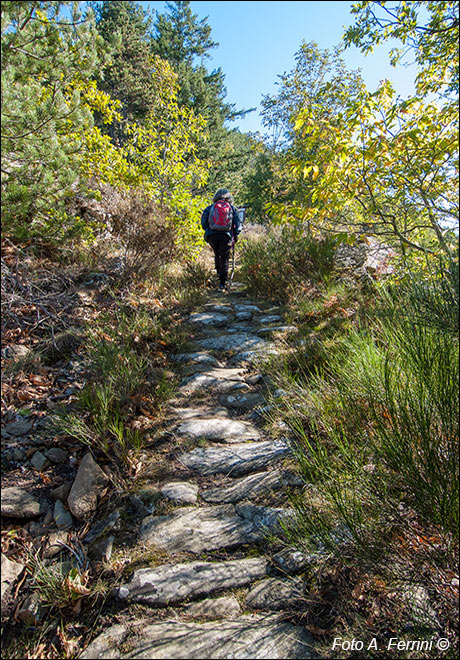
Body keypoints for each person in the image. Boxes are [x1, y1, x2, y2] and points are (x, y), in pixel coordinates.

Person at [201, 188, 242, 291]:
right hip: (226, 235)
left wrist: (209, 230)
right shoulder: (231, 208)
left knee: (217, 253)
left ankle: (219, 274)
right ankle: (222, 284)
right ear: (229, 197)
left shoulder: (210, 208)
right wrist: (235, 235)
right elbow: (237, 225)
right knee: (224, 257)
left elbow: (203, 222)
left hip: (212, 236)